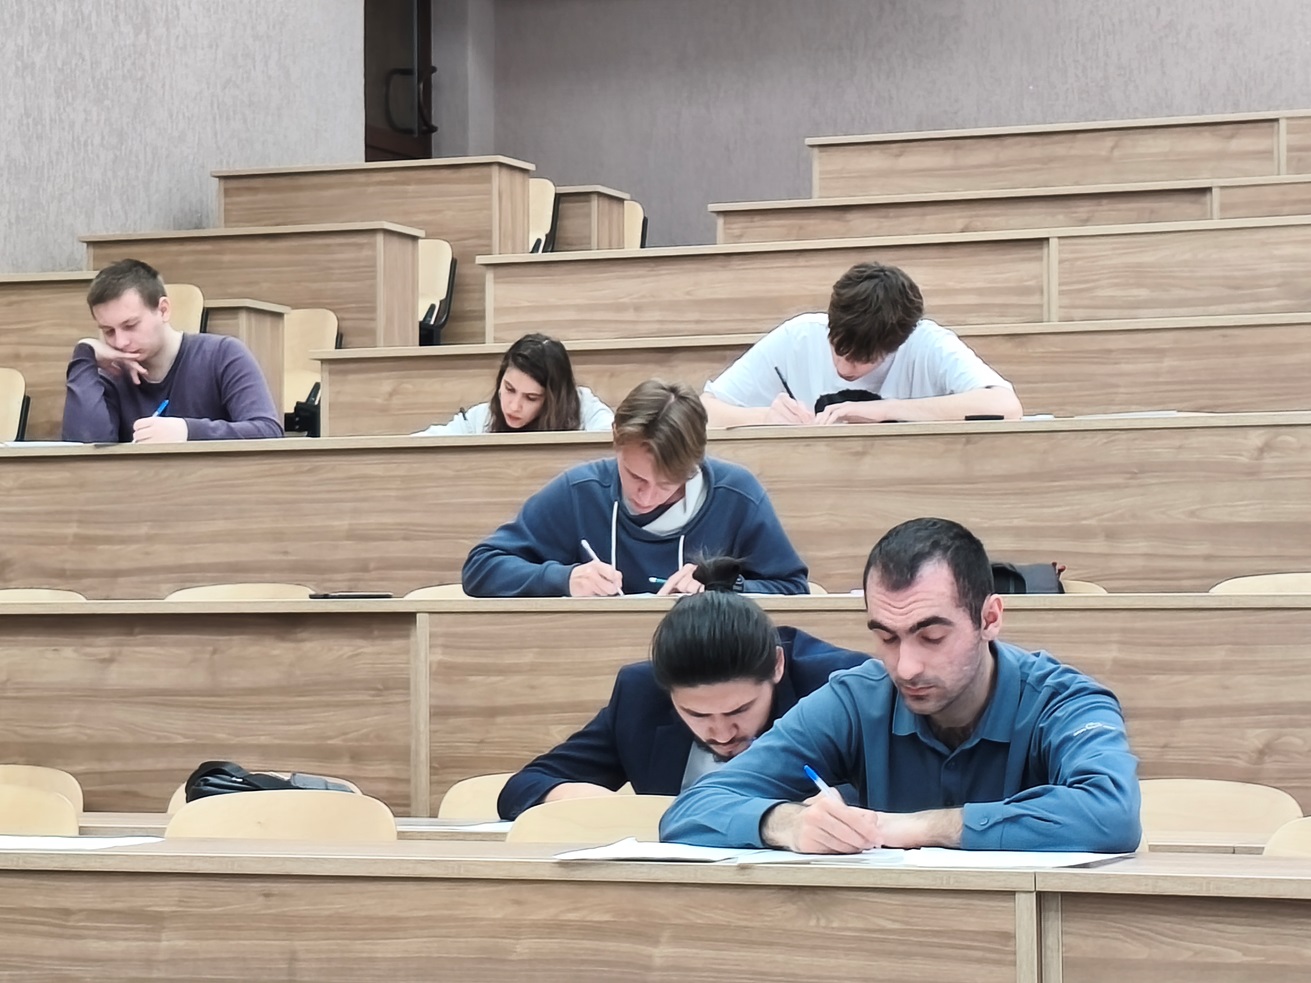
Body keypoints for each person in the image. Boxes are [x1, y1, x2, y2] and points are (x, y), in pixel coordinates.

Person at [659, 517, 1142, 853]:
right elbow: (693, 810)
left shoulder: (1066, 701)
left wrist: (921, 827)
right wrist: (787, 824)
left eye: (931, 637)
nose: (906, 667)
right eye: (887, 638)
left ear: (990, 618)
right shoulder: (855, 700)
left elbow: (1110, 814)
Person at [497, 558, 869, 819]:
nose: (721, 733)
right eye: (696, 714)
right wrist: (582, 799)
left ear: (777, 666)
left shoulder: (839, 687)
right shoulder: (640, 695)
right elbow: (524, 787)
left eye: (739, 710)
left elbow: (890, 784)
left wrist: (839, 804)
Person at [462, 379, 810, 597]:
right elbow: (481, 567)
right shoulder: (580, 492)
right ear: (616, 438)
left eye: (666, 484)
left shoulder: (737, 495)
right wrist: (563, 579)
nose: (647, 497)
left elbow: (793, 589)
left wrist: (724, 588)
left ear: (694, 465)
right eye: (635, 477)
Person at [700, 262, 1022, 427]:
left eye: (861, 359)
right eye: (838, 349)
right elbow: (704, 412)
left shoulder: (926, 343)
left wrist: (887, 411)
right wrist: (764, 418)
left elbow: (1006, 407)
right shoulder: (799, 336)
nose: (845, 367)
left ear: (897, 343)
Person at [61, 259, 281, 443]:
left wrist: (188, 432)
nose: (120, 342)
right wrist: (84, 355)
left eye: (130, 325)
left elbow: (268, 432)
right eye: (108, 331)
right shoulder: (109, 374)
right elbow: (83, 449)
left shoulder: (223, 354)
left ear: (163, 310)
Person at [412, 332, 613, 436]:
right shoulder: (481, 418)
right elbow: (431, 441)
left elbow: (611, 439)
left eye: (531, 398)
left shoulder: (583, 408)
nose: (514, 406)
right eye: (509, 389)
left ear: (552, 399)